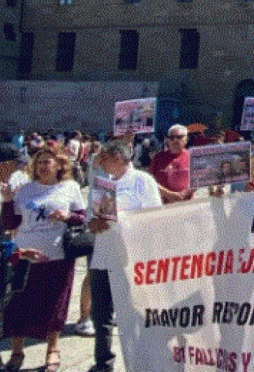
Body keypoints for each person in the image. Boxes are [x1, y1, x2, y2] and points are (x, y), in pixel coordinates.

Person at [0, 147, 86, 372]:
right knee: (17, 305)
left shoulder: (70, 187)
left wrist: (69, 217)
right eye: (39, 163)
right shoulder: (24, 190)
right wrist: (8, 201)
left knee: (54, 305)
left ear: (59, 165)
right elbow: (10, 224)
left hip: (57, 257)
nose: (42, 167)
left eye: (47, 162)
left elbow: (83, 219)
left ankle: (52, 351)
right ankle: (17, 352)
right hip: (24, 257)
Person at [87, 140, 162, 372]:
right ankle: (103, 363)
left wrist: (119, 218)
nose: (101, 162)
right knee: (100, 314)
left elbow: (153, 214)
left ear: (117, 158)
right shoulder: (102, 182)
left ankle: (140, 361)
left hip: (130, 257)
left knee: (134, 313)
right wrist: (94, 223)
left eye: (104, 158)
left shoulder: (142, 180)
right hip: (102, 255)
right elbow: (89, 216)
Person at [149, 124, 192, 203]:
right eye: (171, 137)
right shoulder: (158, 157)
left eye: (179, 137)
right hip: (165, 205)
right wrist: (169, 194)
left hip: (187, 203)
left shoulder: (192, 156)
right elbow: (151, 181)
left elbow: (198, 179)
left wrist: (184, 193)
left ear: (186, 139)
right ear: (168, 140)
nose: (175, 140)